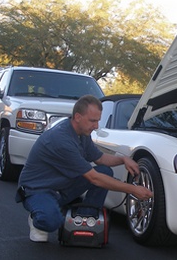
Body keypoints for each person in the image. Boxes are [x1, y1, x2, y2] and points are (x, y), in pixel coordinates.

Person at [16, 94, 153, 242]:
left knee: (105, 171)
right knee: (51, 221)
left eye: (98, 121)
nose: (96, 126)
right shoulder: (61, 140)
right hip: (38, 190)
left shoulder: (81, 133)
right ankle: (37, 218)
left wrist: (123, 159)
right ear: (78, 117)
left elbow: (100, 159)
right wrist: (133, 190)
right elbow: (94, 178)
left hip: (61, 187)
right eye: (93, 121)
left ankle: (84, 220)